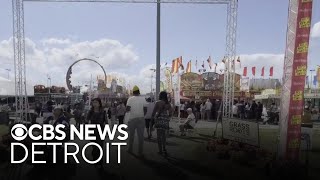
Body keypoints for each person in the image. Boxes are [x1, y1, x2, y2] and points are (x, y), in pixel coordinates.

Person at [86, 98, 107, 169]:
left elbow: (106, 122)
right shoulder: (90, 111)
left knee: (100, 147)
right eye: (93, 102)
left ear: (99, 103)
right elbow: (86, 120)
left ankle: (100, 162)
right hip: (92, 130)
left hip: (101, 130)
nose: (94, 104)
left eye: (96, 102)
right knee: (94, 146)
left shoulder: (103, 112)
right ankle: (95, 160)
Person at [126, 86, 147, 158]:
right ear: (139, 92)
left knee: (131, 135)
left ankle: (130, 149)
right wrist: (142, 115)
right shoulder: (143, 98)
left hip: (132, 119)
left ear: (133, 92)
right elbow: (145, 109)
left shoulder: (130, 99)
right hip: (141, 119)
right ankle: (140, 153)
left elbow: (127, 109)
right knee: (141, 137)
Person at [152, 91, 172, 156]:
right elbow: (171, 112)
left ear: (160, 96)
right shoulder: (168, 104)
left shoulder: (158, 102)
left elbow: (154, 112)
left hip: (159, 118)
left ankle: (160, 150)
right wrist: (168, 117)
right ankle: (164, 148)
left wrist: (152, 118)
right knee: (163, 135)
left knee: (158, 135)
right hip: (165, 119)